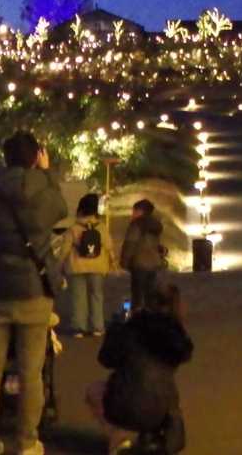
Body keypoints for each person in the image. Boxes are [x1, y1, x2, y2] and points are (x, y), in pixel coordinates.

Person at [0, 131, 69, 455]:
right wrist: (46, 173)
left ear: (6, 156)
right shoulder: (41, 187)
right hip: (33, 290)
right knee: (31, 372)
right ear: (36, 157)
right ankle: (27, 442)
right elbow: (60, 209)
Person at [86, 283, 193, 454]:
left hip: (123, 405)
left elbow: (106, 358)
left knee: (94, 390)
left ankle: (119, 438)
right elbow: (185, 353)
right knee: (168, 391)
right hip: (161, 408)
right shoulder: (173, 333)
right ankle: (154, 436)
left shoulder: (131, 327)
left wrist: (116, 327)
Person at [66, 192, 116, 339]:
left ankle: (79, 328)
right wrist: (113, 263)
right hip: (97, 266)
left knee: (78, 297)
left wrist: (59, 265)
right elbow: (109, 246)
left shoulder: (74, 228)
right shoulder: (101, 227)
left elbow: (64, 249)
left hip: (77, 266)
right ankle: (97, 327)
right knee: (97, 296)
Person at [120, 200, 166, 313]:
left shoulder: (136, 225)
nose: (132, 214)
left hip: (139, 264)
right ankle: (152, 317)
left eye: (134, 211)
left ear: (140, 211)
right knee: (151, 295)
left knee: (138, 296)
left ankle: (138, 318)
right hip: (154, 263)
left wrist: (124, 261)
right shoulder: (155, 225)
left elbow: (130, 243)